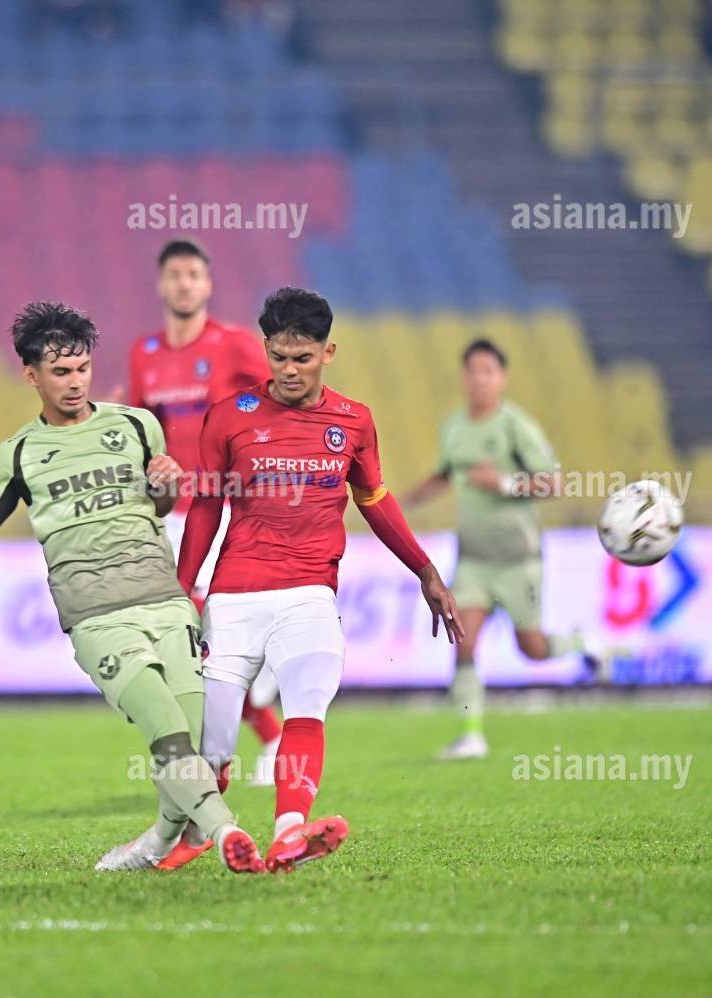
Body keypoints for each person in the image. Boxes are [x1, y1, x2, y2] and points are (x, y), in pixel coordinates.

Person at [0, 301, 265, 874]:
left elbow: (160, 504)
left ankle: (155, 844)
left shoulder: (136, 426)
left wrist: (167, 485)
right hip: (97, 617)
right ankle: (228, 835)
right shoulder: (18, 455)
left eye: (82, 368)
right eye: (60, 372)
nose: (75, 382)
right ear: (32, 375)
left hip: (167, 604)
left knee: (192, 748)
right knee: (167, 733)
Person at [170, 287, 464, 872]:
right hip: (235, 595)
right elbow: (204, 506)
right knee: (215, 748)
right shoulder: (228, 417)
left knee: (307, 706)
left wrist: (426, 571)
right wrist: (183, 592)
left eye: (302, 358)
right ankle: (198, 834)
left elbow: (374, 499)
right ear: (266, 350)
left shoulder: (353, 421)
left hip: (310, 593)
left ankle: (288, 833)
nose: (289, 370)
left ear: (328, 353)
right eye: (279, 357)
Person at [127, 238, 285, 794]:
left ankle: (256, 731)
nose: (184, 283)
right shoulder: (144, 352)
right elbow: (142, 429)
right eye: (175, 274)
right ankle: (258, 735)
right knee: (190, 635)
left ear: (207, 284)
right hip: (171, 513)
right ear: (161, 284)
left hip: (225, 507)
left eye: (193, 274)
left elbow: (282, 398)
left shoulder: (234, 344)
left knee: (210, 631)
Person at [402, 339, 601, 761]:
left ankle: (581, 643)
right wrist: (398, 503)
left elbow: (554, 483)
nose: (480, 379)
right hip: (474, 561)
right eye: (473, 371)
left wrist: (506, 483)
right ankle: (471, 735)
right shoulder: (454, 427)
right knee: (464, 640)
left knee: (532, 649)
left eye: (488, 371)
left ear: (502, 378)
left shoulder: (516, 426)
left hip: (518, 561)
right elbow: (445, 474)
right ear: (463, 377)